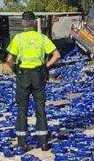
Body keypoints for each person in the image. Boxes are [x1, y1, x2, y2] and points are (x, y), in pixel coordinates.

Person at [6, 11, 61, 151]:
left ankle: (22, 142)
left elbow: (9, 60)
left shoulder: (18, 38)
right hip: (38, 75)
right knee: (40, 108)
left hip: (23, 75)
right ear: (35, 23)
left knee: (22, 108)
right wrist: (46, 66)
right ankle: (43, 142)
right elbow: (56, 55)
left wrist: (15, 69)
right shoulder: (42, 38)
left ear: (23, 23)